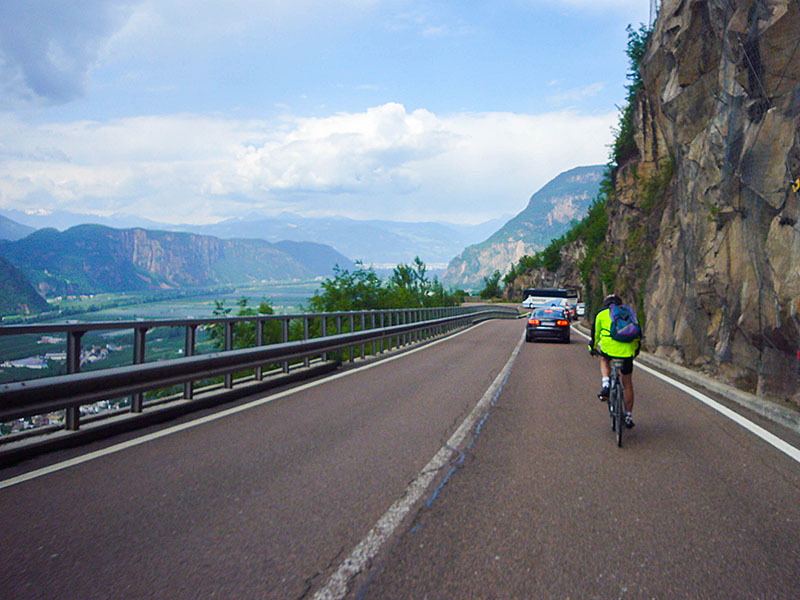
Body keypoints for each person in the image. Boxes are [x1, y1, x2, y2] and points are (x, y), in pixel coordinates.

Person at [588, 294, 641, 428]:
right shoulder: (629, 313)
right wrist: (634, 351)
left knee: (604, 360)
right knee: (627, 383)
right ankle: (628, 416)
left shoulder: (601, 315)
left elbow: (595, 335)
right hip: (627, 351)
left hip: (609, 350)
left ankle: (606, 384)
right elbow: (637, 334)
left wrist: (592, 348)